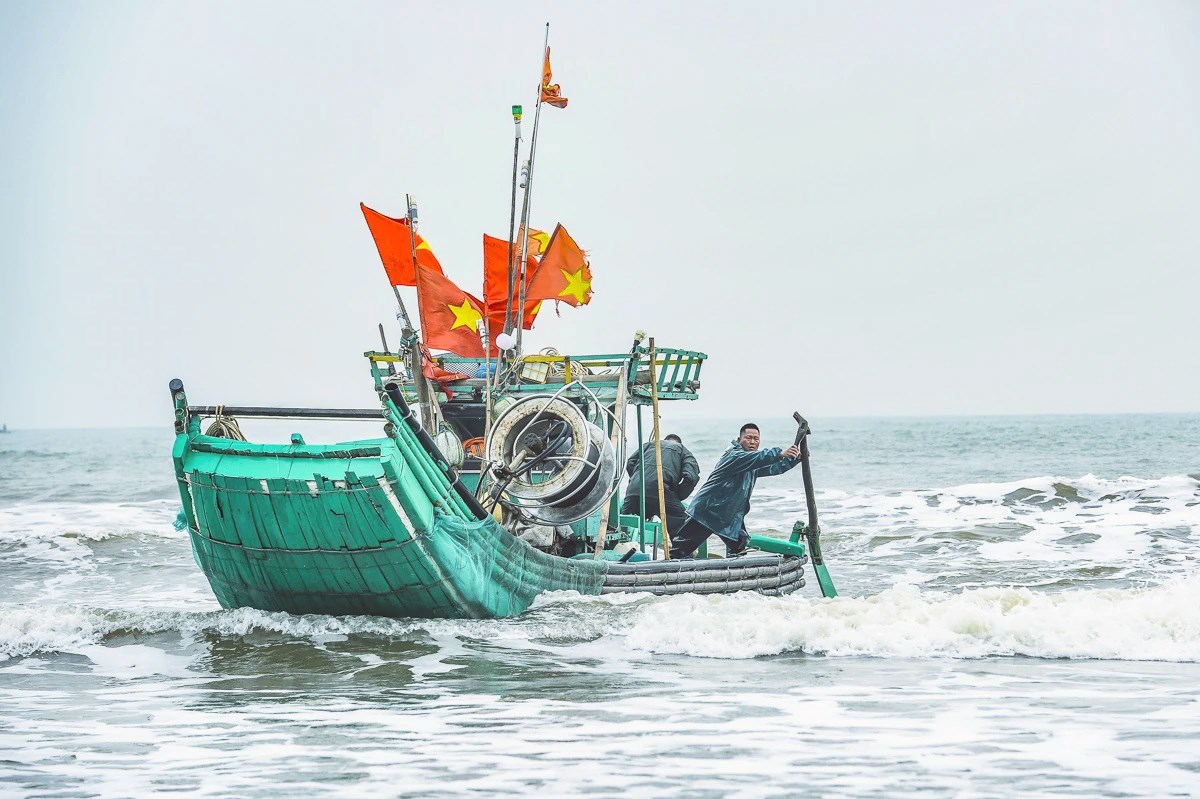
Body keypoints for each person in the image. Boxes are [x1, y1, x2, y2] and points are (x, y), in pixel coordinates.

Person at [671, 423, 800, 558]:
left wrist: (793, 460)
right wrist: (780, 453)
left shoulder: (751, 463)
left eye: (756, 439)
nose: (752, 442)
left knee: (739, 545)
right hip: (707, 511)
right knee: (680, 549)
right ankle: (667, 574)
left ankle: (735, 575)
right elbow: (761, 457)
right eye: (748, 438)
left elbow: (773, 468)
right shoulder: (734, 456)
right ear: (739, 440)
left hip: (728, 516)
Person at [621, 434, 700, 535]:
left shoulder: (648, 445)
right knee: (683, 527)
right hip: (661, 491)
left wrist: (638, 480)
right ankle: (681, 550)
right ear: (679, 443)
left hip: (634, 491)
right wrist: (678, 496)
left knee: (625, 527)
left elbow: (630, 463)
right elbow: (690, 478)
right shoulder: (683, 450)